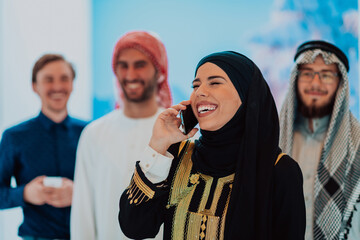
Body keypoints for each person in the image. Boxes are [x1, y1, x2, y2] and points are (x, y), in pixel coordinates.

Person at [119, 51, 306, 240]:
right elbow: (134, 227)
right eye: (195, 85)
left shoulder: (279, 170)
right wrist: (158, 145)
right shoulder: (178, 156)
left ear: (246, 95)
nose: (199, 91)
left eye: (215, 82)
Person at [70, 31, 172, 240]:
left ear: (159, 70)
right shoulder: (94, 133)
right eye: (123, 65)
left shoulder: (178, 132)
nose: (130, 74)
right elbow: (83, 211)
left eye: (140, 64)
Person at [0, 54, 87, 240]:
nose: (57, 87)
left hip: (84, 235)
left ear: (72, 84)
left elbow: (107, 188)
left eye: (64, 78)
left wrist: (78, 194)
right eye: (48, 80)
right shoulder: (14, 137)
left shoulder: (89, 133)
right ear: (35, 86)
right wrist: (25, 193)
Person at [279, 40, 360, 240]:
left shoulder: (357, 145)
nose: (316, 83)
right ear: (295, 79)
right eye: (307, 73)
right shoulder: (271, 139)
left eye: (326, 75)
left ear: (340, 83)